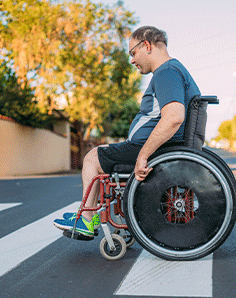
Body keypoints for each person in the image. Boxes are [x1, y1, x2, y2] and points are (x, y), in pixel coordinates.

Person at [54, 26, 200, 237]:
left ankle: (86, 220)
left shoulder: (166, 72)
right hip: (163, 147)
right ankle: (89, 215)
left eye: (133, 53)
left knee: (92, 158)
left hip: (158, 150)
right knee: (101, 150)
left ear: (147, 45)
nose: (132, 60)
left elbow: (174, 118)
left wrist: (143, 155)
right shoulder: (170, 71)